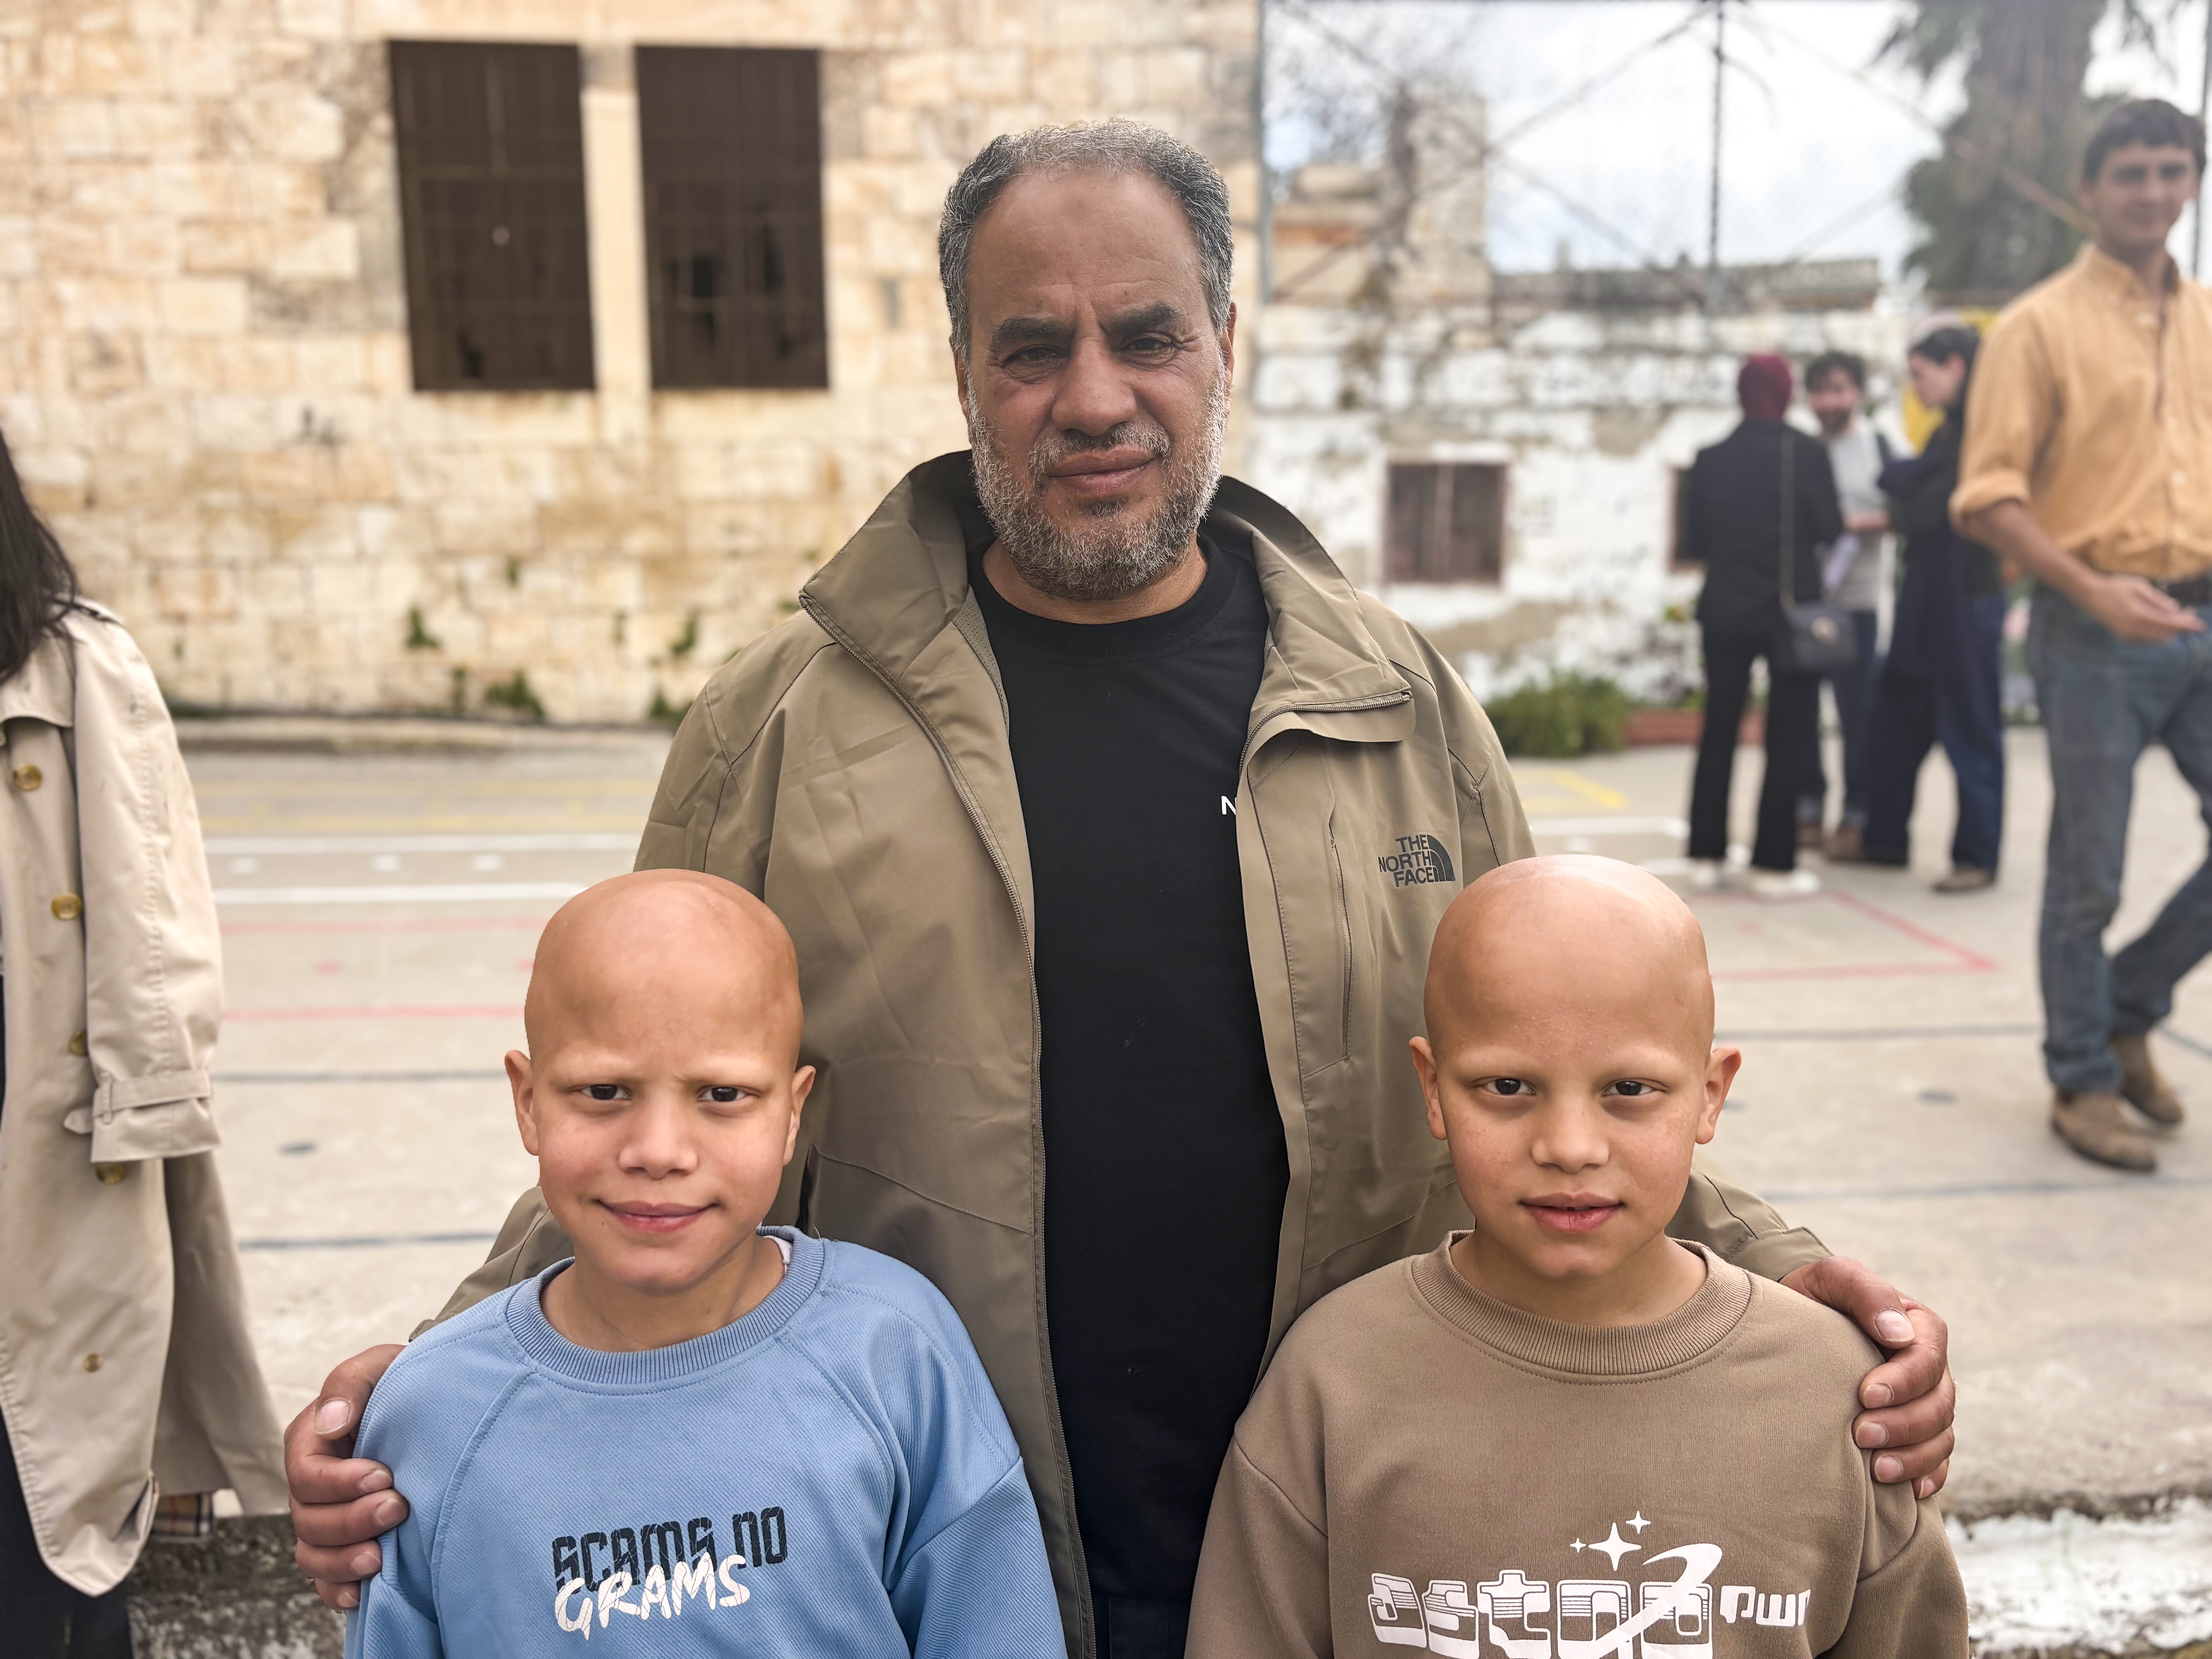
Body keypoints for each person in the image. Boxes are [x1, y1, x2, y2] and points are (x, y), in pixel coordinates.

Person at [288, 123, 1958, 1659]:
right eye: (1033, 348)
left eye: (1147, 335)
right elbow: (645, 1074)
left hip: (1344, 1553)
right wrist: (447, 1373)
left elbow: (1561, 1045)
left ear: (1226, 342)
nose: (1094, 398)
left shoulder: (1397, 704)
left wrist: (1780, 1268)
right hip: (945, 1570)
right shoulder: (784, 723)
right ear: (962, 371)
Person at [1184, 858, 1969, 1659]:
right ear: (1432, 1088)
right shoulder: (1332, 1380)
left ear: (1711, 1093)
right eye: (1507, 1086)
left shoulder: (1839, 1397)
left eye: (1628, 1089)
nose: (1568, 1147)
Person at [342, 871, 1061, 1657]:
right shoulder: (433, 1411)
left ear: (792, 1113)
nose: (659, 1151)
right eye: (604, 1090)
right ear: (528, 1102)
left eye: (722, 1094)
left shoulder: (894, 1352)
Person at [0, 423, 287, 1655]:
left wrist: (148, 1109)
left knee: (48, 1515)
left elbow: (153, 917)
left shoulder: (72, 666)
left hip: (41, 1150)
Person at [1954, 98, 2212, 1174]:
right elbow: (1987, 496)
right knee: (2088, 872)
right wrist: (2093, 589)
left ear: (2194, 181)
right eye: (2132, 173)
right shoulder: (2038, 327)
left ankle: (2127, 1004)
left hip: (2202, 610)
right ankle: (2082, 1075)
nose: (2153, 191)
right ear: (2090, 190)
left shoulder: (2207, 321)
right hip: (2091, 624)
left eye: (2172, 170)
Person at [1684, 355, 1847, 898]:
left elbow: (1695, 541)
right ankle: (1773, 865)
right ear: (1786, 392)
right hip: (1788, 613)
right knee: (1788, 735)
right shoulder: (1806, 453)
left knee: (1718, 728)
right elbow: (1831, 527)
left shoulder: (1710, 459)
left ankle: (1706, 856)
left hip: (1724, 610)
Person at [1853, 328, 2005, 894]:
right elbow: (1913, 498)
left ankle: (1976, 856)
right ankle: (1884, 840)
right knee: (1896, 718)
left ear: (1956, 367)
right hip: (1924, 594)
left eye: (1923, 375)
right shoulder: (1946, 435)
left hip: (1967, 595)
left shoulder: (1986, 433)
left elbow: (1928, 509)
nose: (1916, 388)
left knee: (1970, 730)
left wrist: (1906, 487)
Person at [1797, 350, 1894, 860]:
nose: (1829, 401)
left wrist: (1847, 526)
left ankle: (1856, 815)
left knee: (1858, 716)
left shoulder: (1879, 445)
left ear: (1857, 392)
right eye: (1820, 391)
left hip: (1859, 602)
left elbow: (1905, 511)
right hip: (1808, 603)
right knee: (1803, 715)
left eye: (1838, 389)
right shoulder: (1803, 449)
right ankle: (1809, 809)